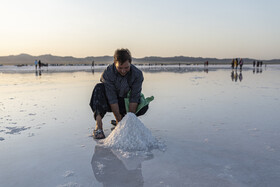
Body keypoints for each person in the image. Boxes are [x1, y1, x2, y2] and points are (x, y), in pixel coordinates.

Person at [89, 49, 150, 139]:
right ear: (114, 63)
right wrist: (118, 120)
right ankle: (99, 125)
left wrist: (127, 123)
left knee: (144, 106)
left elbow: (134, 97)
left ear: (130, 63)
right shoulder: (108, 73)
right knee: (98, 88)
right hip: (110, 102)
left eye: (126, 68)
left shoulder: (137, 74)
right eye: (120, 68)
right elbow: (112, 98)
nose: (123, 71)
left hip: (125, 102)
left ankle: (124, 119)